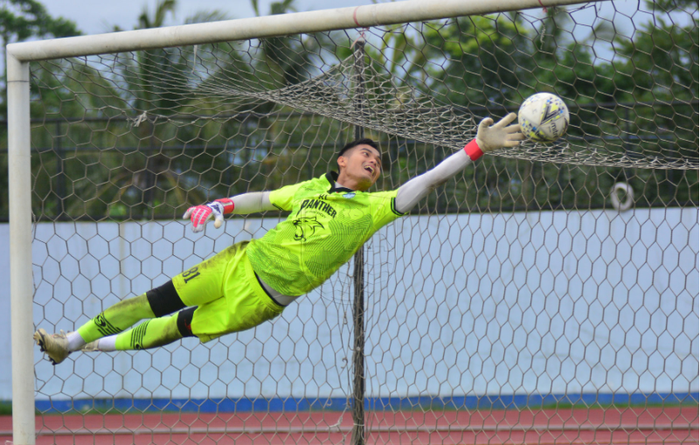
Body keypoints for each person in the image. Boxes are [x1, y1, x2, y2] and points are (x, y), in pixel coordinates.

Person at [34, 113, 524, 365]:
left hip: (262, 298)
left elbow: (431, 179)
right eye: (366, 153)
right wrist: (219, 205)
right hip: (236, 261)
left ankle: (87, 347)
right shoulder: (310, 188)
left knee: (178, 327)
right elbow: (262, 197)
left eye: (379, 159)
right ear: (343, 161)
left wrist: (477, 146)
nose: (374, 160)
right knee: (154, 300)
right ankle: (70, 341)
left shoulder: (377, 207)